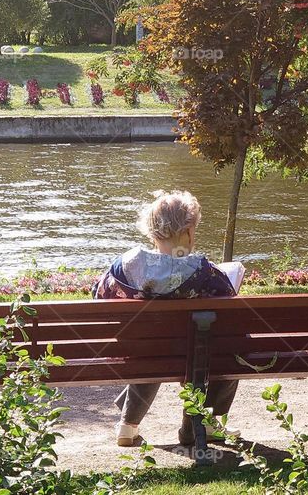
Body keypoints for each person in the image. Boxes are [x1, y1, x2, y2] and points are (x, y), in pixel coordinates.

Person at [92, 190, 245, 447]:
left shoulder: (124, 266)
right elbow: (229, 304)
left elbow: (99, 296)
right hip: (195, 356)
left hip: (139, 352)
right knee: (226, 350)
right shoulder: (203, 272)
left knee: (152, 346)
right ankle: (201, 424)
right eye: (193, 228)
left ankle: (127, 427)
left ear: (152, 231)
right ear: (186, 232)